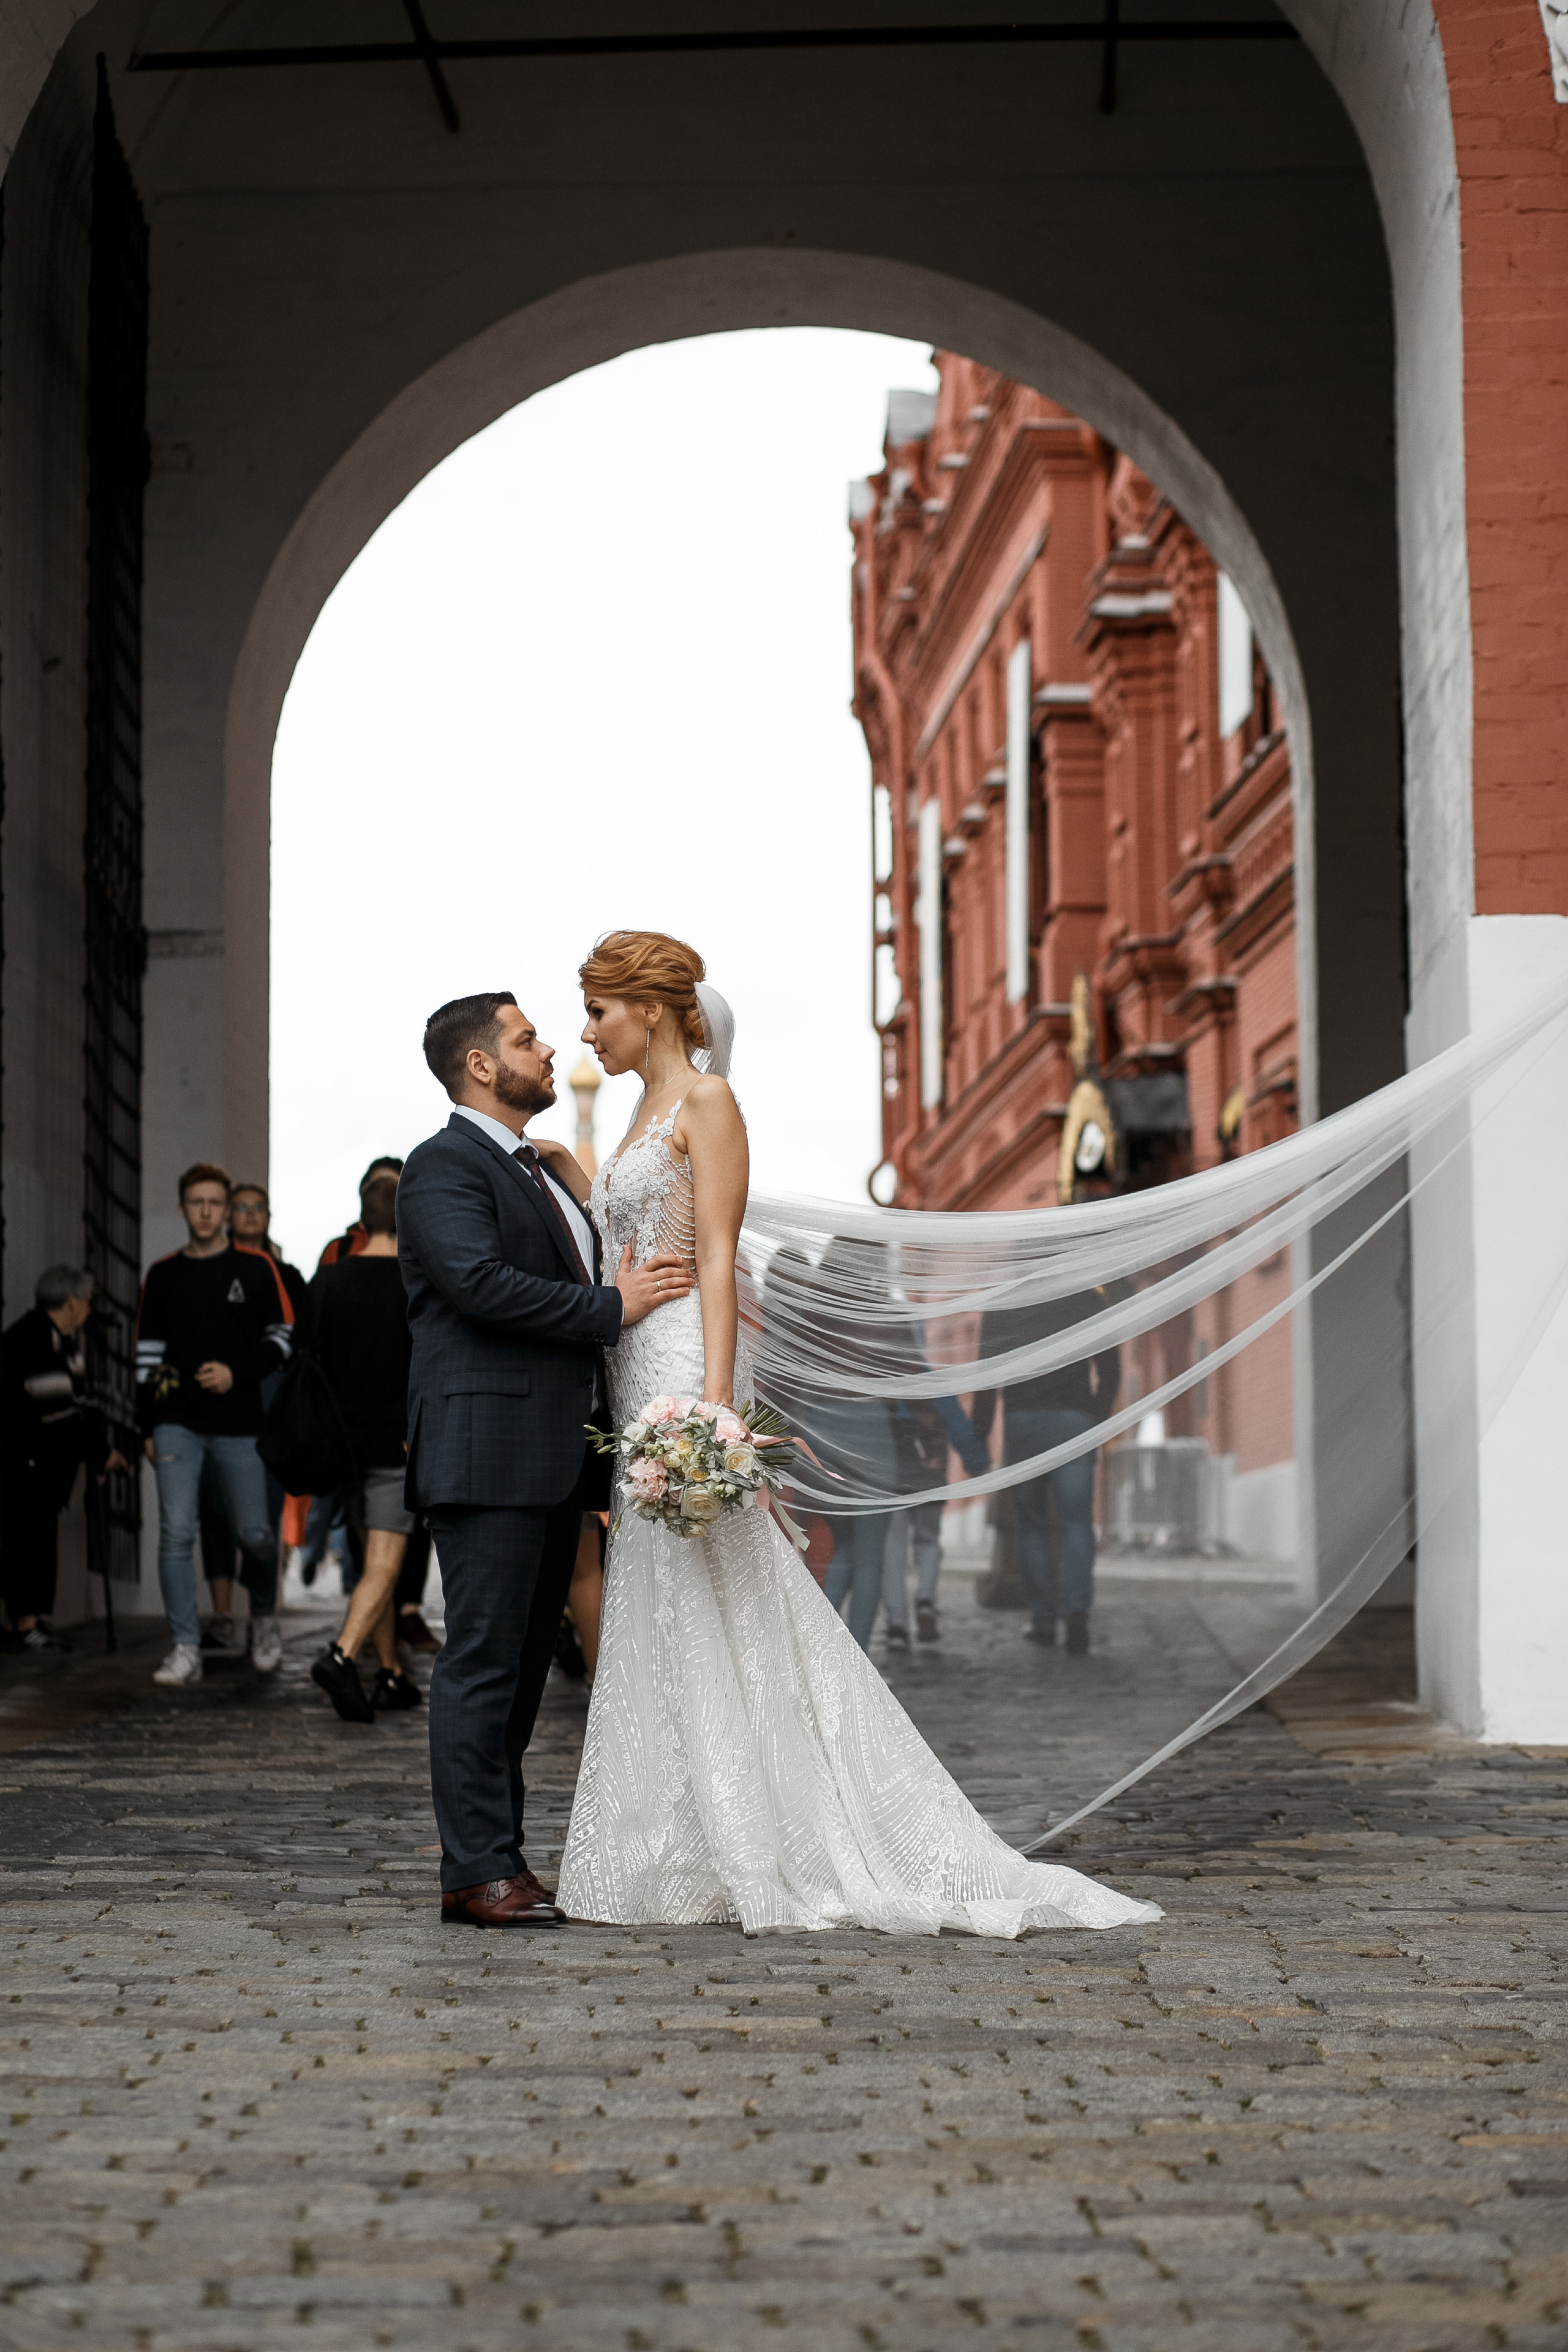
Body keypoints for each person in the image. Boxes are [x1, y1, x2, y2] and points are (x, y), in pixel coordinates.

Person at [556, 929, 1159, 1939]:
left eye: (599, 1011)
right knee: (662, 1600)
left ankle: (769, 1836)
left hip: (678, 1367)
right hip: (630, 1359)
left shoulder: (708, 1104)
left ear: (651, 1008)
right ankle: (679, 1843)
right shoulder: (631, 1115)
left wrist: (712, 1407)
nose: (589, 1031)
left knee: (727, 1593)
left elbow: (715, 1261)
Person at [396, 991, 690, 1931]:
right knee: (483, 1663)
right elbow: (479, 1285)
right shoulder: (442, 1167)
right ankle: (477, 1869)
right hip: (486, 1452)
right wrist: (616, 1305)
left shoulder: (533, 1171)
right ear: (482, 1065)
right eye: (526, 1039)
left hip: (550, 1456)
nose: (548, 1047)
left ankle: (497, 1862)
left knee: (521, 1670)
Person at [135, 1163, 296, 1686]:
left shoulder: (255, 1269)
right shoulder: (163, 1274)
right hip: (177, 1421)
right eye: (196, 1202)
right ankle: (185, 1647)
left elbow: (282, 1338)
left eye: (214, 1203)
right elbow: (148, 1358)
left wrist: (237, 1373)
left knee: (255, 1532)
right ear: (183, 1208)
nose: (205, 1212)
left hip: (240, 1421)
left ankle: (265, 1617)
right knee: (177, 1532)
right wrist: (147, 1426)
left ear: (225, 1211)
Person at [307, 1174, 423, 1721]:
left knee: (375, 1567)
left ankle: (392, 1674)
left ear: (363, 1216)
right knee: (384, 1565)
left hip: (344, 1448)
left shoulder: (328, 1281)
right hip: (394, 1446)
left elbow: (308, 1362)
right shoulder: (417, 1283)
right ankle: (341, 1655)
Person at [970, 1284, 1123, 1654]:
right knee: (1077, 1524)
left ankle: (1043, 1622)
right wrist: (1094, 1419)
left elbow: (987, 1379)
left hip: (1023, 1422)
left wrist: (978, 1439)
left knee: (1031, 1525)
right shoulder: (1088, 1299)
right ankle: (1076, 1617)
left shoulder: (1003, 1305)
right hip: (1073, 1421)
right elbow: (1111, 1370)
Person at [196, 1180, 309, 1655]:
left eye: (255, 1208)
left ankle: (263, 1615)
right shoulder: (205, 1271)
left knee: (261, 1516)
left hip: (268, 1406)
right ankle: (223, 1617)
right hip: (214, 1402)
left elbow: (304, 1346)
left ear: (267, 1216)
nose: (247, 1214)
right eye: (238, 1207)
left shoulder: (288, 1277)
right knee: (214, 1509)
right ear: (227, 1216)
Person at [1, 1268, 129, 1651]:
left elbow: (81, 1408)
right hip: (27, 1463)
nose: (89, 1311)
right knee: (29, 1540)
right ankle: (27, 1624)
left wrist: (98, 1455)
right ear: (71, 1303)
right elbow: (61, 1416)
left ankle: (23, 1623)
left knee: (32, 1538)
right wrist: (102, 1454)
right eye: (86, 1303)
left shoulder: (61, 1342)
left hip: (40, 1464)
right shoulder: (36, 1340)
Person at [317, 1157, 405, 1272]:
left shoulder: (422, 1248)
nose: (383, 1194)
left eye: (391, 1189)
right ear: (365, 1195)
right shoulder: (338, 1249)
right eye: (376, 1187)